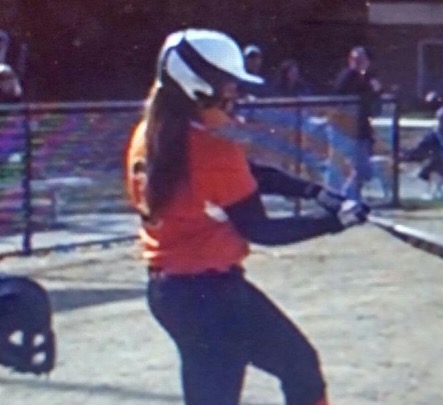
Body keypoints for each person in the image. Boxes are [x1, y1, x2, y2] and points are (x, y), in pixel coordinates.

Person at [125, 28, 370, 405]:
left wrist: (313, 191)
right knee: (295, 370)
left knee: (293, 368)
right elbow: (261, 229)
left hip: (175, 293)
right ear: (198, 86)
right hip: (210, 297)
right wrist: (334, 222)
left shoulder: (153, 132)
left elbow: (246, 175)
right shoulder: (211, 148)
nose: (234, 94)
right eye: (227, 85)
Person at [333, 46, 382, 200]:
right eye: (356, 60)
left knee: (364, 170)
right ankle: (347, 197)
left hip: (362, 129)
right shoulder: (347, 76)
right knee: (349, 167)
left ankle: (352, 196)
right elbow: (342, 92)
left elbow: (375, 94)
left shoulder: (368, 77)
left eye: (362, 60)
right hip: (347, 129)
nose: (359, 63)